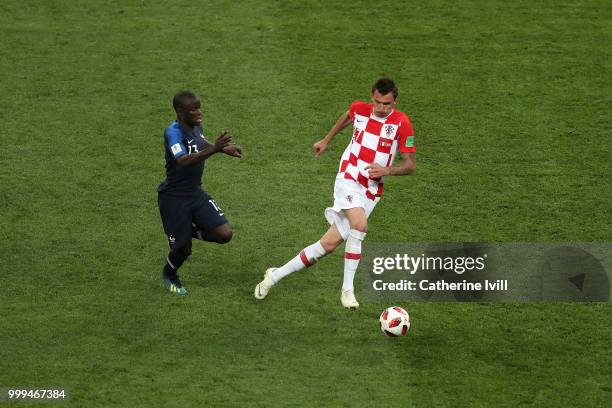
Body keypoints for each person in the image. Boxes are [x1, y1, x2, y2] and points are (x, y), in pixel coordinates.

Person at [254, 78, 416, 308]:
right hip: (348, 177)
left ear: (395, 102)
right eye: (378, 102)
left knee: (328, 245)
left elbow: (410, 165)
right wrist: (326, 140)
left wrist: (387, 170)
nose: (381, 108)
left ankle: (274, 275)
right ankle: (347, 291)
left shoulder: (402, 123)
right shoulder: (360, 109)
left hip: (370, 190)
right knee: (359, 227)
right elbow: (348, 116)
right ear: (372, 97)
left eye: (387, 104)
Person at [158, 91, 241, 296]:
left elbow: (200, 143)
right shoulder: (173, 132)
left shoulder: (196, 127)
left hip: (195, 193)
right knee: (183, 250)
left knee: (224, 234)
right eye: (193, 109)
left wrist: (221, 149)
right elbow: (182, 160)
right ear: (180, 111)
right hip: (174, 198)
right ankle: (169, 273)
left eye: (199, 107)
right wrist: (214, 150)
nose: (199, 112)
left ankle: (187, 232)